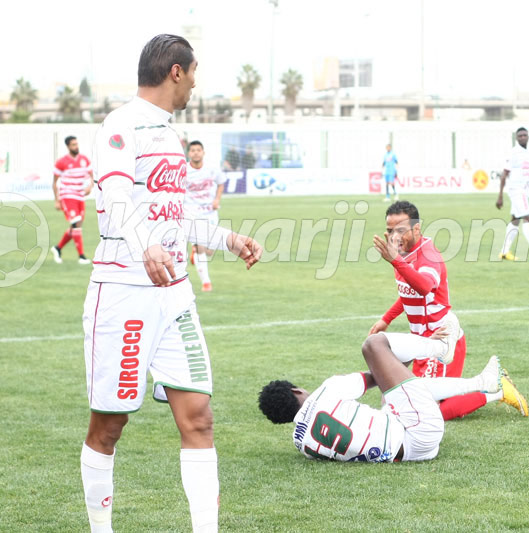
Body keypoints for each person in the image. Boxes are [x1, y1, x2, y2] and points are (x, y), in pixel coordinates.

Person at [80, 34, 263, 533]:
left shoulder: (171, 136)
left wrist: (227, 238)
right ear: (176, 72)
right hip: (123, 296)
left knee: (199, 417)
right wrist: (145, 244)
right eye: (195, 73)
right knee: (109, 427)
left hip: (175, 296)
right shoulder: (120, 124)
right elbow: (115, 196)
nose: (196, 84)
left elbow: (175, 214)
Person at [369, 201, 529, 419]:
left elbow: (424, 286)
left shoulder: (427, 254)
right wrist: (385, 319)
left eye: (400, 230)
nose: (394, 236)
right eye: (389, 230)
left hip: (443, 341)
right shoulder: (404, 254)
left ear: (416, 229)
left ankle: (497, 389)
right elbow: (409, 292)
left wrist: (396, 261)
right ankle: (472, 392)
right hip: (423, 344)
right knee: (408, 400)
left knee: (428, 412)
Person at [258, 333, 526, 462]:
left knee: (402, 392)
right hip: (420, 432)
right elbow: (377, 374)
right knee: (373, 345)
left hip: (410, 453)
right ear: (296, 391)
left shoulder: (301, 445)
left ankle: (490, 387)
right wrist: (403, 355)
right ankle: (442, 347)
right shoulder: (326, 391)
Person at [496, 127, 529, 262]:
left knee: (515, 220)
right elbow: (504, 175)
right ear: (516, 138)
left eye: (525, 135)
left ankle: (504, 252)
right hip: (516, 190)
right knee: (528, 218)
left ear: (528, 136)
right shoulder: (513, 153)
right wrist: (500, 196)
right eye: (520, 136)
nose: (523, 137)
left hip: (524, 190)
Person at [185, 140, 227, 292]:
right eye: (193, 150)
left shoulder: (212, 169)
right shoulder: (183, 170)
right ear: (189, 153)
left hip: (210, 213)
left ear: (203, 153)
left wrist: (217, 199)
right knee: (201, 247)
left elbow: (221, 182)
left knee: (210, 250)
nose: (196, 152)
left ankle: (195, 252)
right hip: (192, 214)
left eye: (198, 150)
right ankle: (206, 282)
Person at [51, 135, 93, 264]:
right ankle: (81, 256)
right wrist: (57, 200)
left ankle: (57, 248)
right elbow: (54, 182)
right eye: (73, 144)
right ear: (68, 146)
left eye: (77, 144)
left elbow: (92, 176)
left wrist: (90, 187)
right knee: (76, 222)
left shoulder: (84, 160)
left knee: (76, 225)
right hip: (67, 196)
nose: (76, 146)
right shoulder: (61, 162)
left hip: (80, 196)